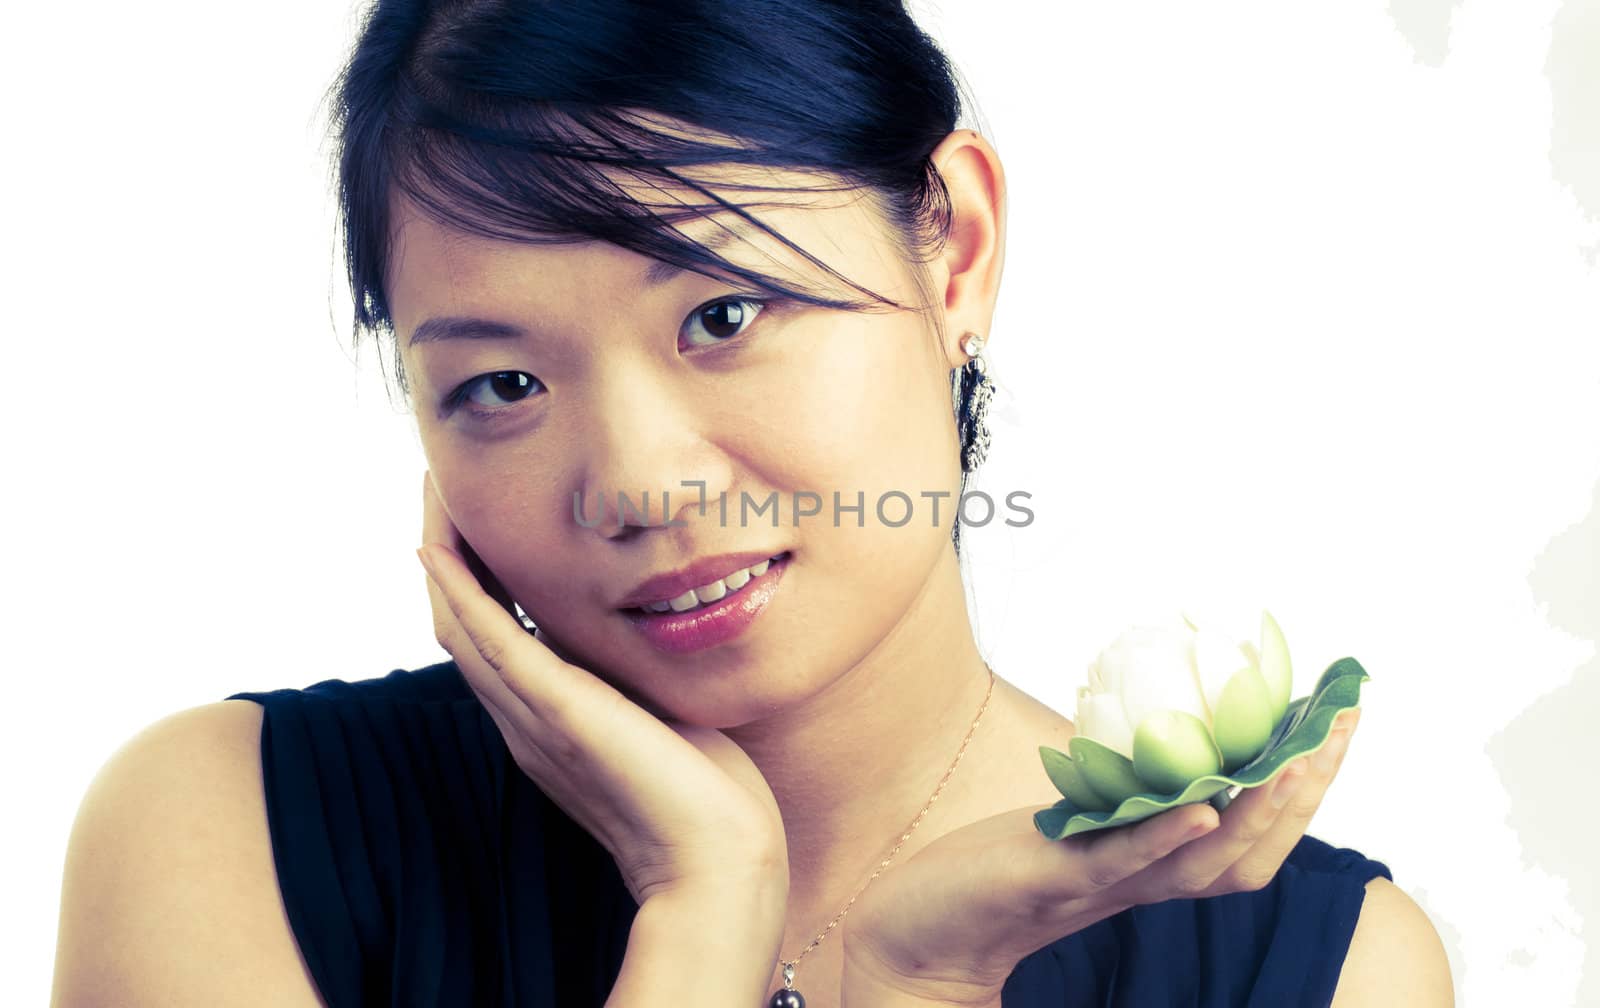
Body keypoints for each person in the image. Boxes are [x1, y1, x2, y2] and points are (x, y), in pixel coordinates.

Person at [50, 1, 1454, 1005]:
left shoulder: (1325, 972)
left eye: (723, 312)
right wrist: (701, 914)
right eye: (500, 387)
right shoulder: (224, 832)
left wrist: (922, 980)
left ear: (953, 253)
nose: (638, 483)